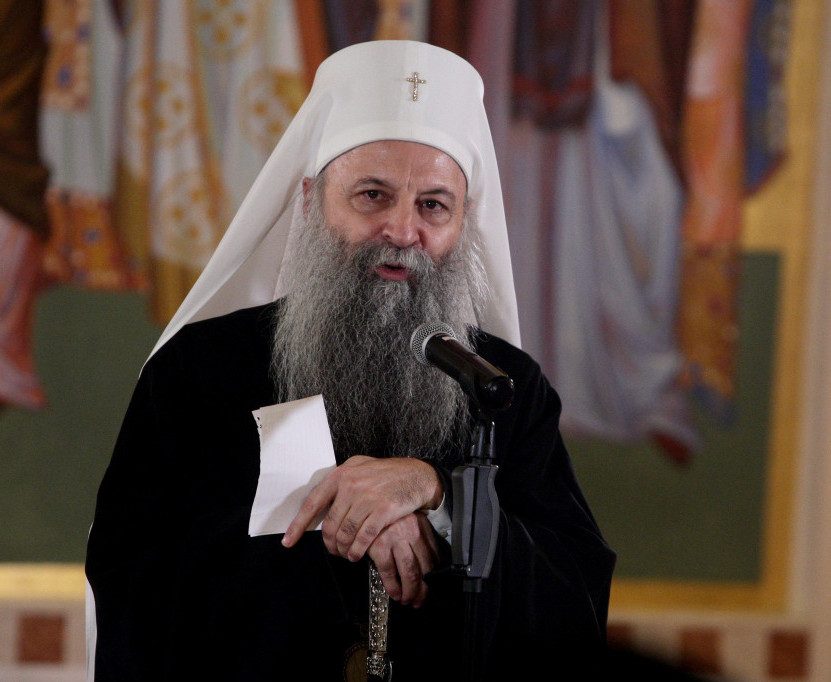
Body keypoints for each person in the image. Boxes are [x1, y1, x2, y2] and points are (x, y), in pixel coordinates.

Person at [85, 40, 615, 681]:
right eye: (372, 195)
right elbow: (134, 582)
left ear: (463, 221)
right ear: (312, 201)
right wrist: (341, 524)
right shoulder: (201, 371)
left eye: (432, 205)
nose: (402, 231)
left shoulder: (503, 388)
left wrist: (441, 499)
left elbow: (574, 598)